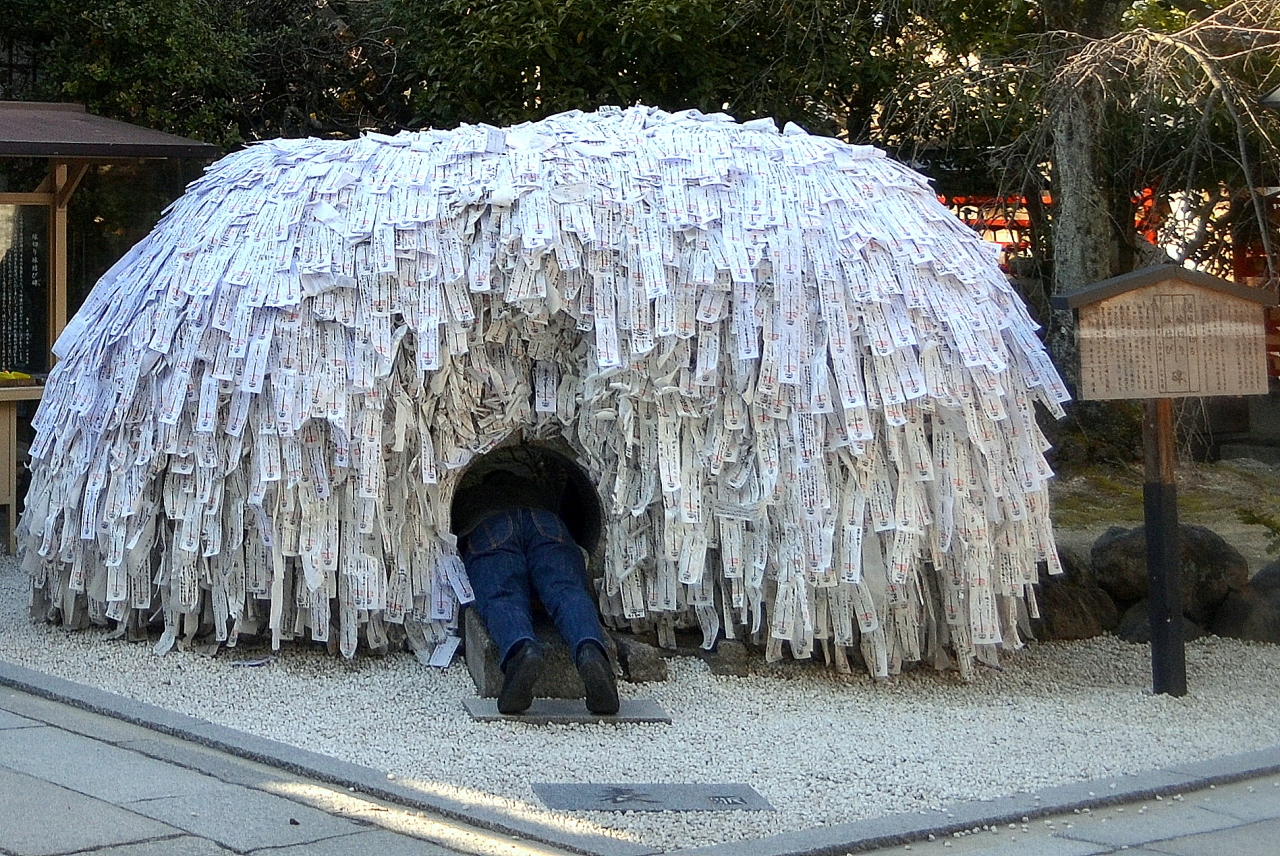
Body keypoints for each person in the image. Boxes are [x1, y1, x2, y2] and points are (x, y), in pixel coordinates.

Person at [452, 468, 619, 715]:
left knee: (502, 594)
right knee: (567, 590)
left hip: (489, 527)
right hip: (547, 523)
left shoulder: (469, 495)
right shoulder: (539, 492)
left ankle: (522, 650)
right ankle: (590, 652)